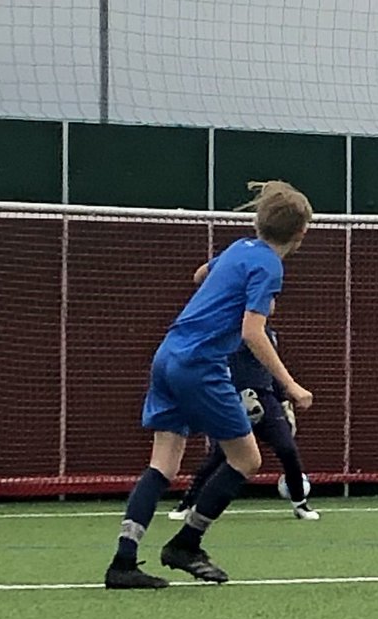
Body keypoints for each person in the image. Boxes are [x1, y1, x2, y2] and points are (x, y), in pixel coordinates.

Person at [104, 180, 314, 589]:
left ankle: (123, 562)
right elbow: (253, 332)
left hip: (167, 355)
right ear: (301, 233)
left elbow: (201, 274)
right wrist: (290, 385)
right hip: (201, 364)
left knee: (162, 464)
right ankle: (186, 543)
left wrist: (231, 290)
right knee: (247, 460)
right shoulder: (271, 265)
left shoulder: (239, 249)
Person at [168, 310, 319, 523]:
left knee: (287, 449)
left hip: (266, 398)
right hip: (237, 398)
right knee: (220, 454)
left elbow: (272, 369)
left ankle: (299, 503)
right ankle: (188, 502)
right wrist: (237, 393)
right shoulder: (238, 329)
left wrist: (284, 401)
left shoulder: (267, 332)